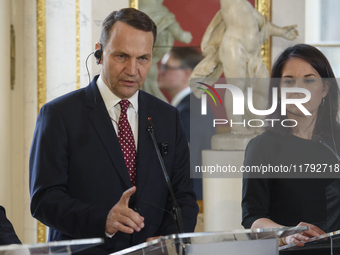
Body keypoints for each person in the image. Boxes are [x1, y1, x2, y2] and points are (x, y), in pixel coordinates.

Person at [29, 8, 198, 254]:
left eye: (143, 58)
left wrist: (166, 239)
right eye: (122, 56)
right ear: (100, 52)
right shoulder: (59, 115)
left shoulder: (167, 117)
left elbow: (183, 197)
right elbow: (44, 200)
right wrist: (103, 220)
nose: (133, 70)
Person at [242, 44, 340, 247]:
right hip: (294, 251)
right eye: (289, 81)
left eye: (309, 80)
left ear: (325, 89)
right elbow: (253, 218)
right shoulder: (262, 147)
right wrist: (285, 233)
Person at [190, 0, 299, 135]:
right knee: (236, 87)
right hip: (234, 46)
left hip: (253, 53)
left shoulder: (246, 5)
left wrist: (282, 32)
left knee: (262, 86)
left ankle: (257, 123)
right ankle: (237, 125)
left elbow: (263, 24)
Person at [158, 47, 215, 200]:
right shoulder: (193, 106)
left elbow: (184, 164)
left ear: (187, 74)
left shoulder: (188, 112)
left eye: (166, 67)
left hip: (188, 198)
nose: (160, 72)